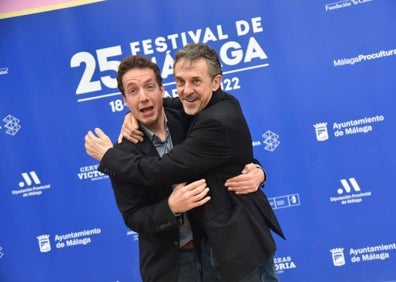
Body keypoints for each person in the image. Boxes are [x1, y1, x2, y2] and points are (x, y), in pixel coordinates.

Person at [86, 43, 284, 282]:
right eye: (133, 91)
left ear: (161, 89)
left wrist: (258, 171)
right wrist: (171, 207)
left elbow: (163, 169)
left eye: (150, 87)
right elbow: (134, 217)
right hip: (170, 266)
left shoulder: (192, 118)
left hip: (226, 250)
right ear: (124, 100)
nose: (144, 96)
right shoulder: (126, 150)